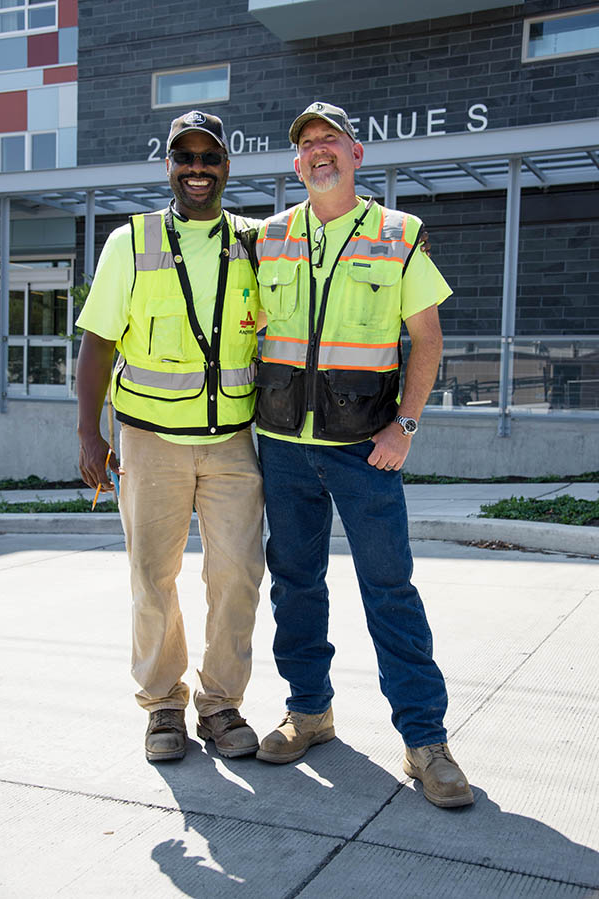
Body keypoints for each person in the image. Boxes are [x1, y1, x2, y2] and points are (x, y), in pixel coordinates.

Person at [253, 101, 473, 808]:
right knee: (294, 583)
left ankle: (425, 740)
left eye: (330, 142)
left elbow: (427, 339)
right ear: (296, 164)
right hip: (284, 446)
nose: (319, 153)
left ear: (356, 155)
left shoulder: (398, 233)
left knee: (390, 590)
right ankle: (308, 711)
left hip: (364, 449)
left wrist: (403, 426)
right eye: (307, 145)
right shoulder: (267, 238)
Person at [76, 111, 265, 763]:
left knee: (238, 571)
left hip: (232, 441)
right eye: (183, 157)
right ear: (167, 166)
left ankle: (221, 703)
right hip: (149, 439)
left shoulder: (254, 242)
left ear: (226, 167)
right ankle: (162, 704)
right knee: (152, 575)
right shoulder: (129, 243)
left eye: (208, 157)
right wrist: (88, 433)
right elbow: (98, 344)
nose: (196, 168)